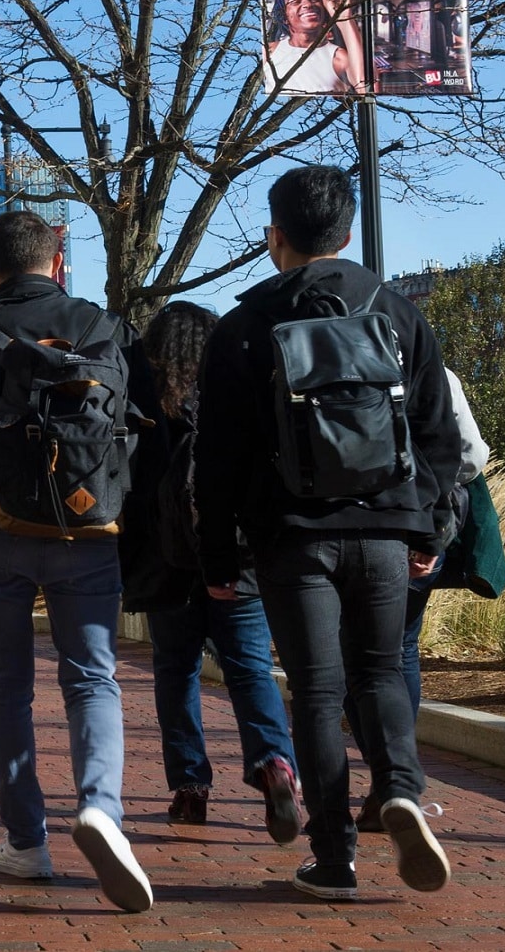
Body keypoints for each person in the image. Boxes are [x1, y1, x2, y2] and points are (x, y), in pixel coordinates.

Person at [194, 165, 461, 900]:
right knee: (378, 671)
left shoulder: (243, 327)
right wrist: (427, 522)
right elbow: (440, 435)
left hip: (290, 535)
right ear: (347, 233)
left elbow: (215, 458)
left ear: (273, 236)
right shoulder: (397, 311)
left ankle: (335, 857)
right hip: (384, 527)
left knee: (315, 688)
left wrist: (220, 554)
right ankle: (400, 789)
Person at [0, 210, 162, 913]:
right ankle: (102, 808)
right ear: (57, 262)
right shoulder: (108, 327)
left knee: (5, 688)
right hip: (90, 530)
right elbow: (149, 430)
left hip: (0, 537)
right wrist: (111, 508)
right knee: (92, 678)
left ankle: (27, 842)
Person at [122, 301, 301, 837]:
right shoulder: (233, 386)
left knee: (176, 671)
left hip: (163, 560)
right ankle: (275, 764)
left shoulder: (140, 393)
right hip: (235, 554)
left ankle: (190, 788)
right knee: (248, 668)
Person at [351, 367, 490, 831]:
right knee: (400, 648)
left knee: (349, 657)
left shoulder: (313, 355)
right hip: (421, 521)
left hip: (340, 524)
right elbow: (470, 455)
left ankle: (384, 778)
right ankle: (395, 785)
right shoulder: (438, 371)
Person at [263, 0, 365, 95]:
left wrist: (344, 17)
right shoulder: (269, 52)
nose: (308, 4)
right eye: (295, 1)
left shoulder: (338, 57)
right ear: (284, 18)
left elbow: (364, 88)